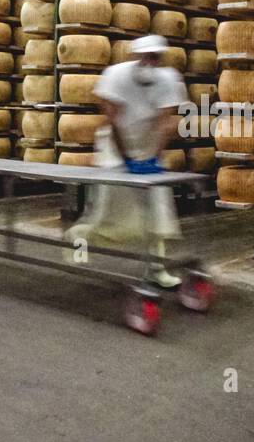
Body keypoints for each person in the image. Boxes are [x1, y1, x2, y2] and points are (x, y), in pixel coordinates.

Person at [64, 35, 187, 286]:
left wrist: (154, 158)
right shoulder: (115, 75)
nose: (150, 61)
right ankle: (78, 238)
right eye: (146, 56)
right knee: (109, 211)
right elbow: (113, 121)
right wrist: (127, 159)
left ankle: (156, 270)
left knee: (156, 208)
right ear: (136, 57)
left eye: (155, 57)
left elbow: (165, 124)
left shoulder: (169, 79)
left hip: (147, 146)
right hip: (115, 146)